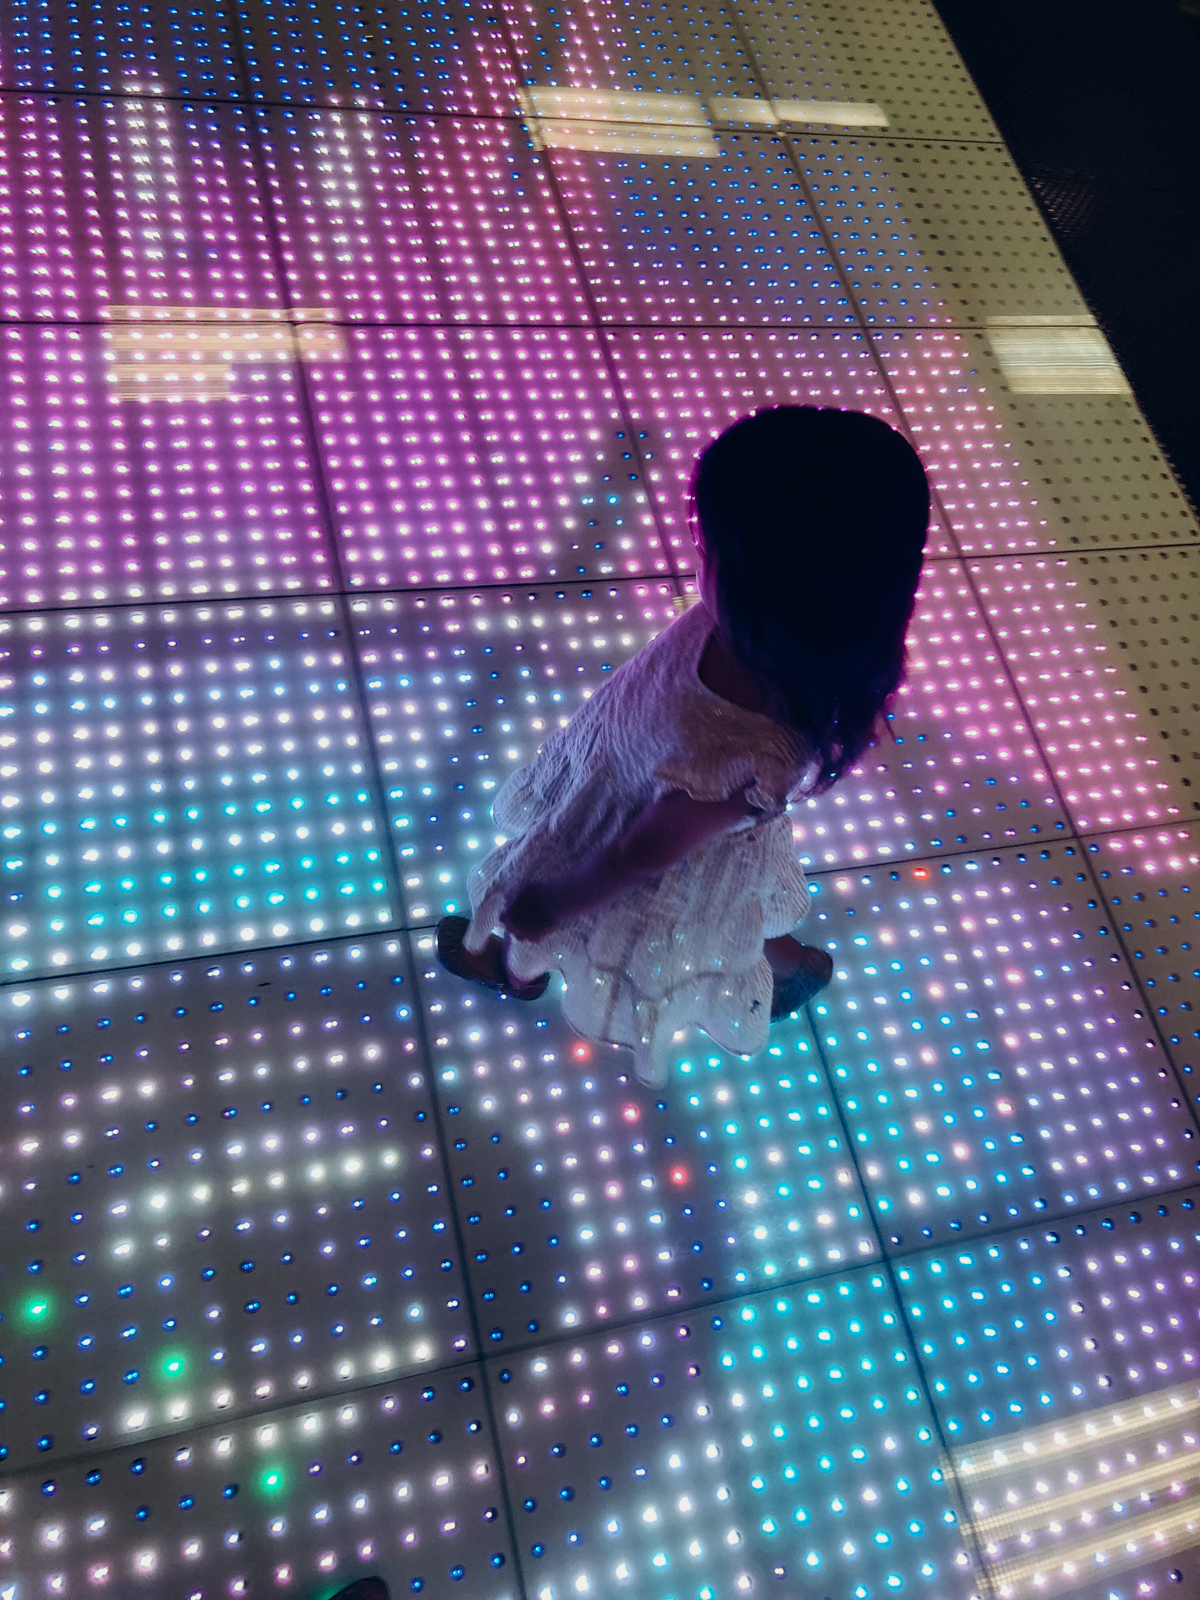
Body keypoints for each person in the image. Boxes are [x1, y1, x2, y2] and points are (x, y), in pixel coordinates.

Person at [437, 406, 929, 1084]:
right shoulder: (775, 642)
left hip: (620, 843)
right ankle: (793, 966)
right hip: (632, 782)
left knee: (545, 917)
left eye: (711, 550)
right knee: (734, 915)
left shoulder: (747, 756)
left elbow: (638, 854)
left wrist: (551, 904)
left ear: (768, 596)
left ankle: (516, 971)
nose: (698, 551)